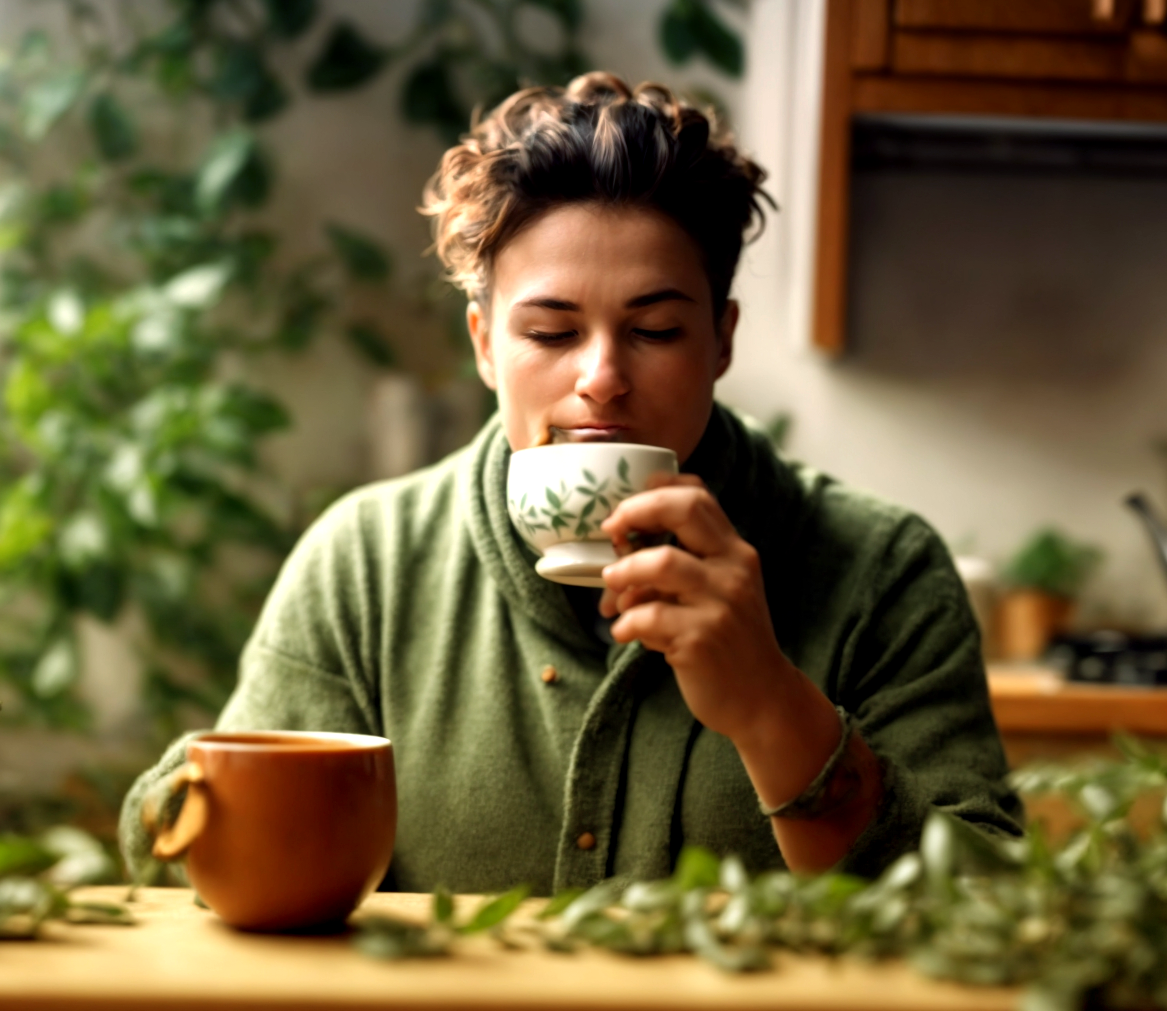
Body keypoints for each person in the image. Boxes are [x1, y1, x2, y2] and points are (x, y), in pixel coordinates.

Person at [120, 72, 1021, 895]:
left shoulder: (880, 570)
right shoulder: (366, 564)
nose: (601, 378)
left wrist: (771, 707)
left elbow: (991, 915)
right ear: (482, 344)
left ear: (722, 342)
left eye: (657, 331)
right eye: (551, 333)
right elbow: (203, 883)